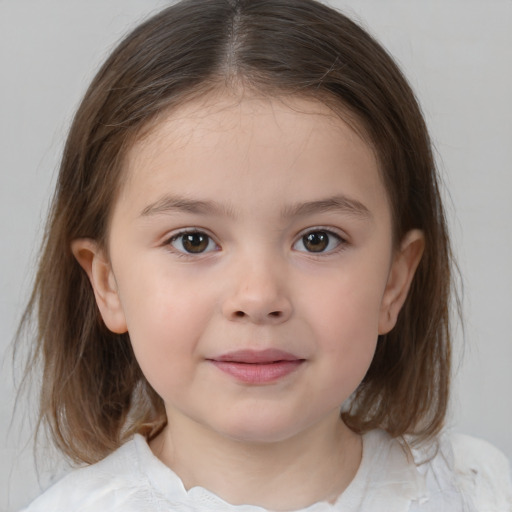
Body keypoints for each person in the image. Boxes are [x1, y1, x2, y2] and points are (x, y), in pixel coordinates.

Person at [16, 0, 512, 510]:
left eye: (318, 239)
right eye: (194, 240)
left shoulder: (479, 492)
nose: (258, 298)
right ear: (108, 284)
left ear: (395, 279)